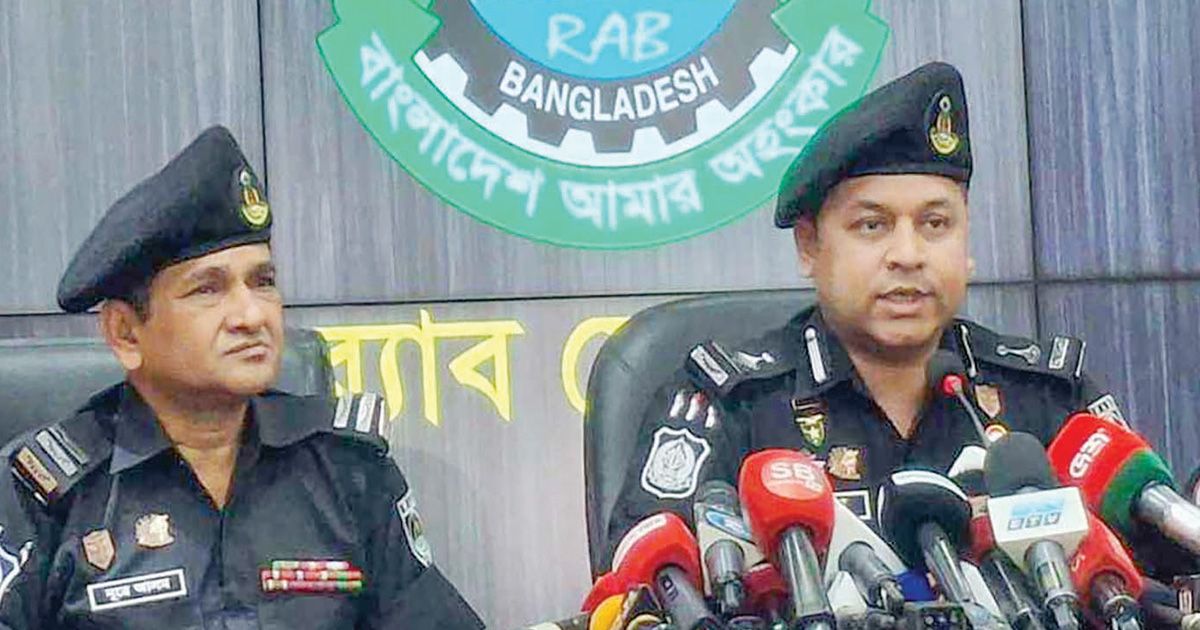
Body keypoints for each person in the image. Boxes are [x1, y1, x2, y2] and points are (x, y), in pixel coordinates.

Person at [604, 62, 1141, 570]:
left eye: (935, 224)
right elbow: (646, 592)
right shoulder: (730, 408)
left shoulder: (1052, 399)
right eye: (872, 226)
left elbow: (1156, 572)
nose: (908, 255)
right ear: (810, 246)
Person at [0, 126, 484, 628]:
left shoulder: (347, 473)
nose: (252, 315)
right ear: (125, 333)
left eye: (263, 282)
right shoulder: (43, 496)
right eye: (208, 290)